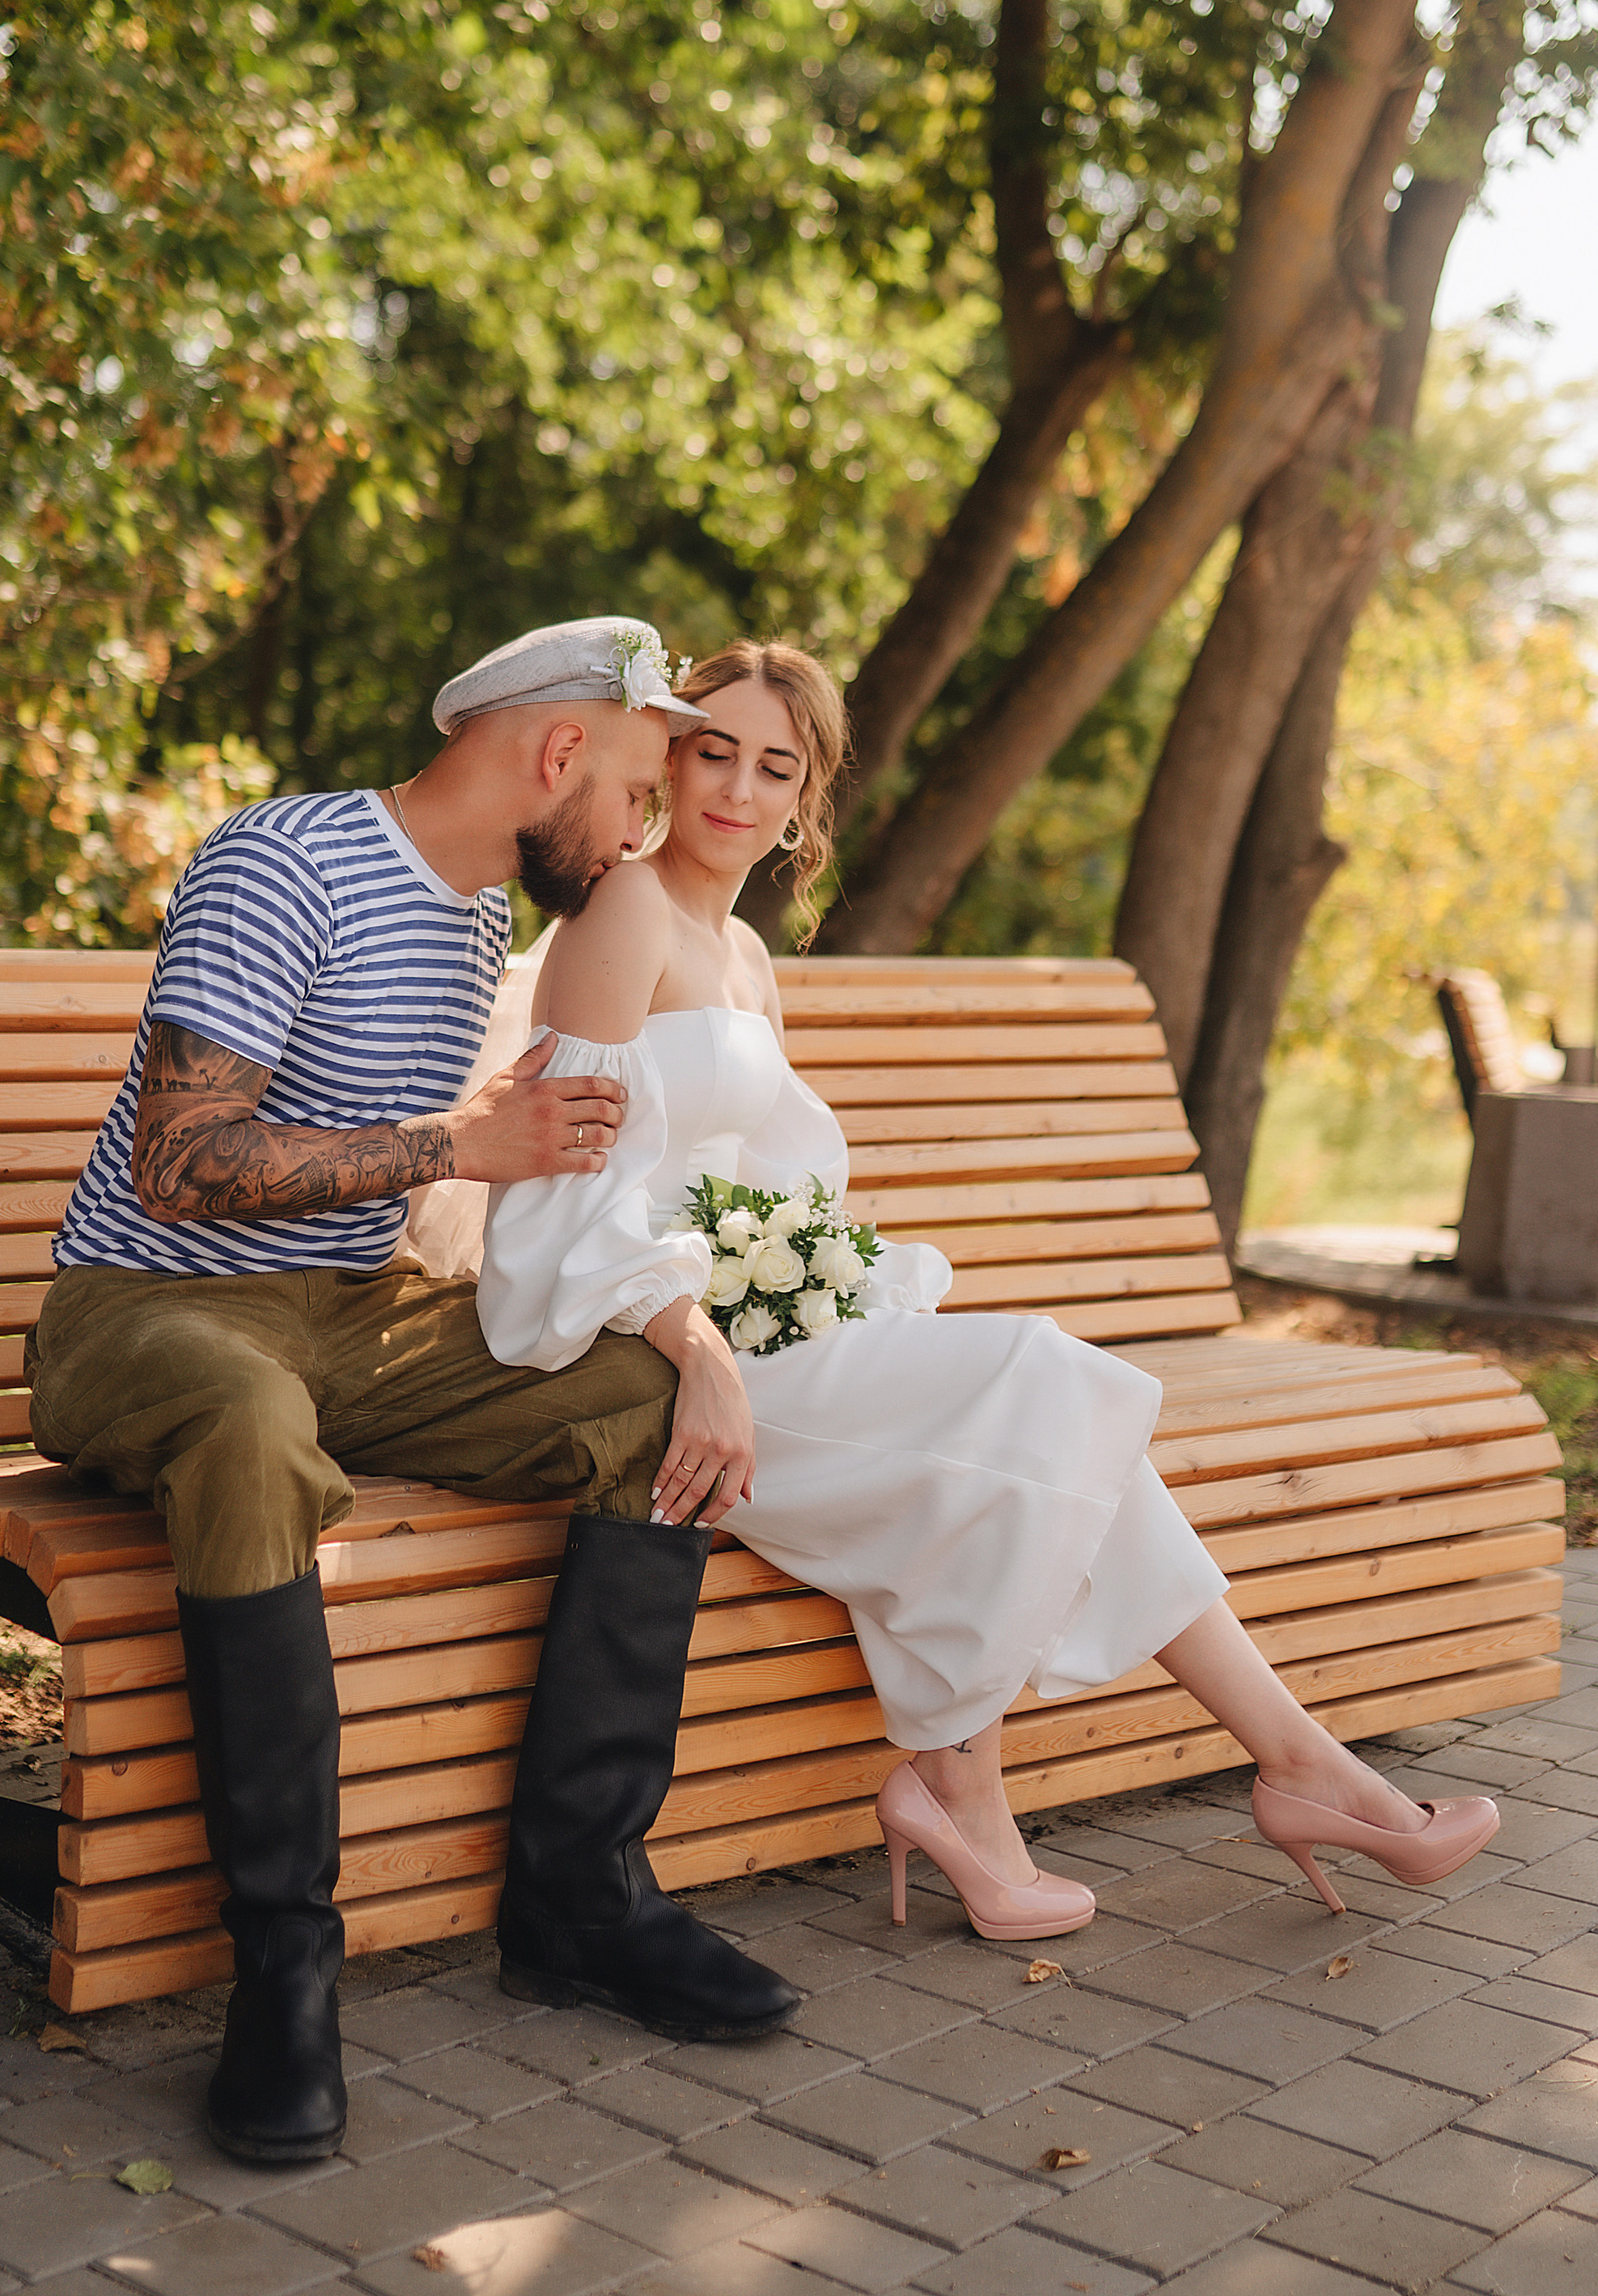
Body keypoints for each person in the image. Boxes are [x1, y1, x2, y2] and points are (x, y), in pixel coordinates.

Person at [479, 640, 1500, 1944]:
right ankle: (1168, 1777)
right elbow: (566, 1185)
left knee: (1064, 1429)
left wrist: (818, 1284)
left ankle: (1208, 1774)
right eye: (713, 750)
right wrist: (703, 1344)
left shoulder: (740, 952)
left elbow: (752, 1184)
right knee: (1043, 1382)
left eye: (775, 765)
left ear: (807, 799)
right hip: (655, 1357)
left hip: (758, 1338)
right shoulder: (622, 915)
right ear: (669, 756)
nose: (738, 787)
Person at [28, 618, 800, 2171]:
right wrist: (458, 1144)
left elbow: (423, 1160)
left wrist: (660, 1296)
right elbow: (180, 1168)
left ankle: (581, 1897)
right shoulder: (285, 861)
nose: (649, 828)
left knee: (642, 1411)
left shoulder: (473, 917)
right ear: (561, 752)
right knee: (254, 1429)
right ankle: (286, 1963)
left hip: (350, 1315)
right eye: (643, 785)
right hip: (148, 1308)